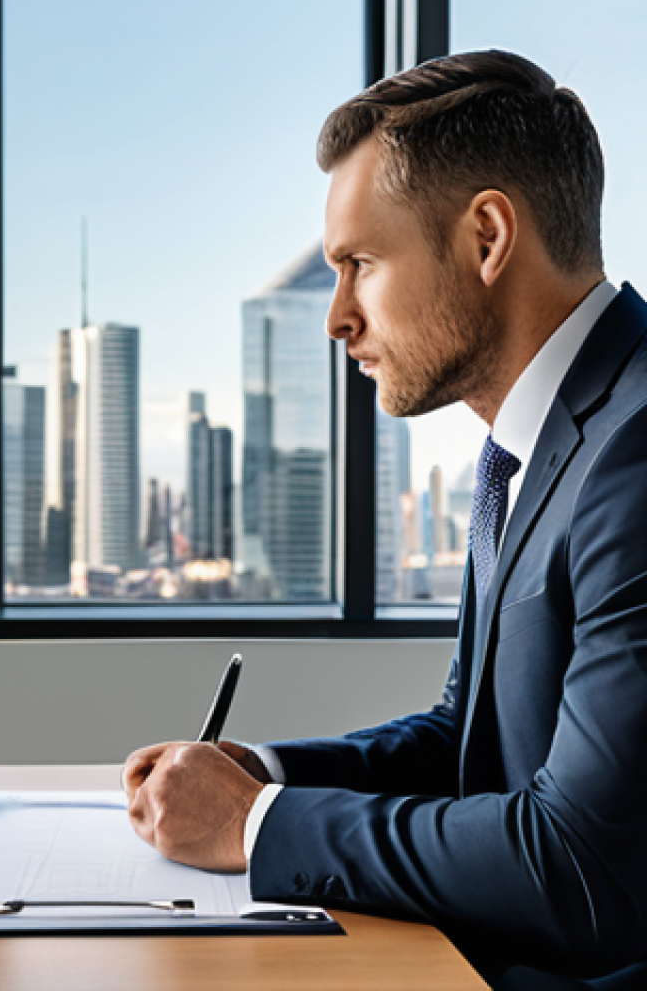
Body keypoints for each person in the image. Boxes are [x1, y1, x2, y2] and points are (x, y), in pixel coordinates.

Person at [123, 50, 647, 990]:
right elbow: (469, 738)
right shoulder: (527, 451)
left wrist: (254, 827)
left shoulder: (638, 452)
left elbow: (584, 865)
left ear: (487, 237)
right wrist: (263, 774)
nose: (336, 318)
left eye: (360, 264)